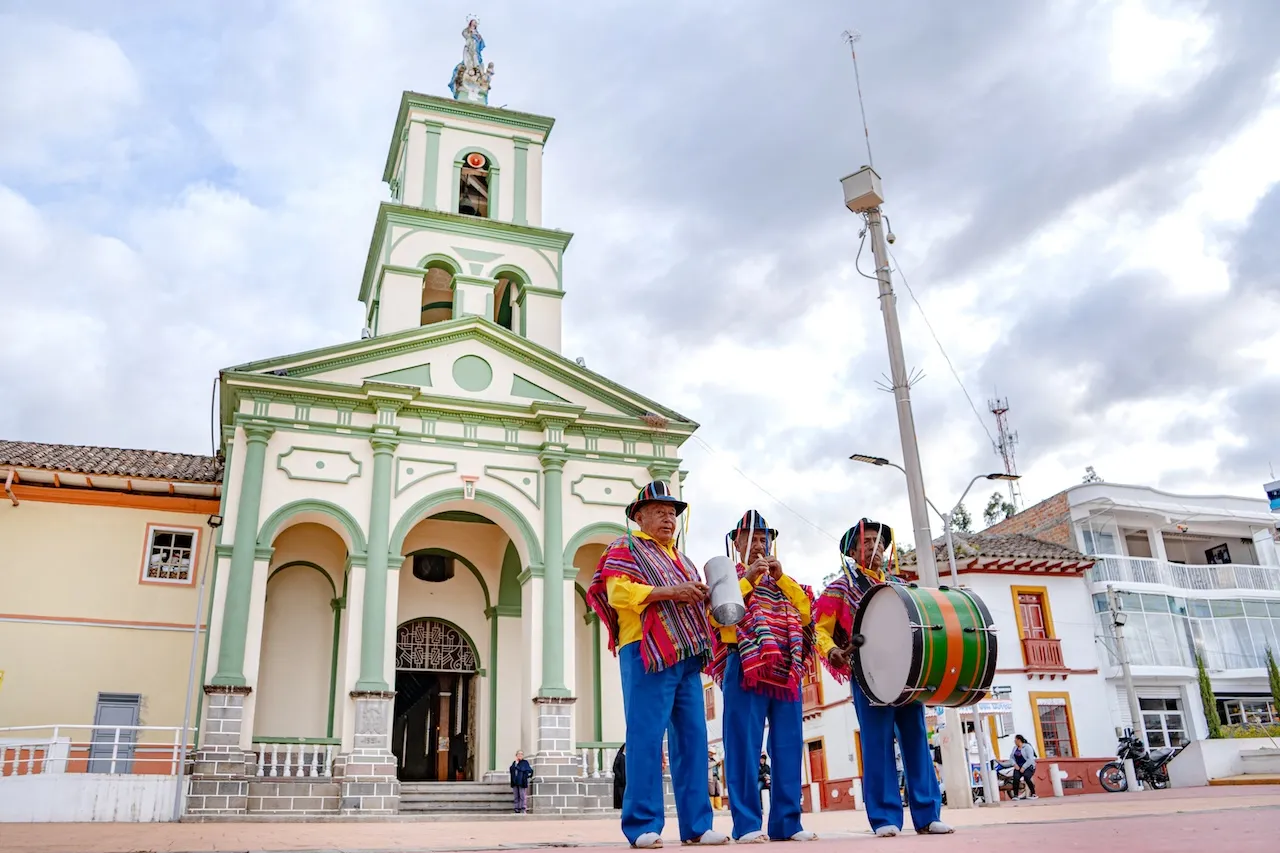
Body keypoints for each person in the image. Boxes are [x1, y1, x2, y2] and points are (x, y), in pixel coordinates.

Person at [586, 481, 729, 849]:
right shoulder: (624, 547)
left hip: (684, 653)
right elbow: (617, 593)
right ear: (639, 516)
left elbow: (696, 603)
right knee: (646, 739)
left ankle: (698, 825)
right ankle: (642, 825)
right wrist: (672, 592)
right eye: (660, 512)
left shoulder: (684, 560)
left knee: (693, 740)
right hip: (645, 649)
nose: (669, 519)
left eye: (673, 513)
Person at [815, 518, 954, 838]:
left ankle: (928, 814)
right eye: (866, 542)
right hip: (868, 675)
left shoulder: (901, 587)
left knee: (917, 738)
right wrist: (833, 649)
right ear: (852, 551)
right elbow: (821, 630)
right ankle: (884, 817)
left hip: (908, 673)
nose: (874, 547)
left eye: (879, 542)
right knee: (876, 744)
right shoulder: (839, 588)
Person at [707, 510, 817, 843]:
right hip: (746, 665)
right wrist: (748, 579)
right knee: (743, 746)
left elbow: (806, 612)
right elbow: (716, 619)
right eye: (751, 539)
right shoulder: (728, 578)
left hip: (786, 668)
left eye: (763, 539)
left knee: (787, 745)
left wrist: (780, 579)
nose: (758, 545)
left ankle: (787, 823)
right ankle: (746, 825)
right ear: (736, 544)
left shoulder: (787, 582)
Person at [1009, 735, 1038, 799]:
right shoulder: (1015, 748)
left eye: (1015, 740)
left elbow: (1030, 759)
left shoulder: (1027, 747)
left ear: (1019, 740)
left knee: (1027, 777)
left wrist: (1024, 767)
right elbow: (1011, 758)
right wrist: (1014, 764)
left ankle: (1033, 793)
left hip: (1028, 766)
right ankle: (1016, 795)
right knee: (1016, 778)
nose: (1014, 741)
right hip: (1018, 766)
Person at [509, 750, 533, 814]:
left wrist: (525, 776)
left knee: (522, 796)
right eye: (518, 754)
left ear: (523, 756)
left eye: (521, 754)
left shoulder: (525, 762)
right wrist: (515, 764)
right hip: (515, 782)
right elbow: (511, 770)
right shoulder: (514, 763)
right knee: (516, 796)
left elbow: (529, 770)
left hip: (522, 782)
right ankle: (516, 809)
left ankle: (523, 808)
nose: (520, 755)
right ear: (516, 755)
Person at [613, 745, 628, 810]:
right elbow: (615, 768)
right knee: (621, 797)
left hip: (626, 781)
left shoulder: (628, 757)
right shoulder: (619, 756)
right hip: (620, 782)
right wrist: (620, 776)